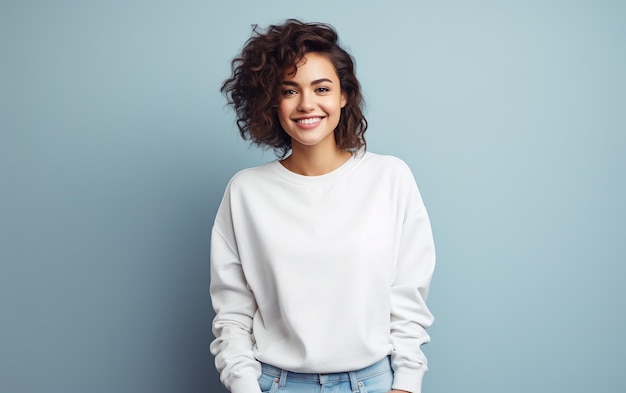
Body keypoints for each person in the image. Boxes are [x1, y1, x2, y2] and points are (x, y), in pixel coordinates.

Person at [209, 19, 435, 393]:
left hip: (374, 382)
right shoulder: (246, 192)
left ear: (343, 95)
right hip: (274, 383)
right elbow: (232, 314)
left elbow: (408, 298)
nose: (307, 104)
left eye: (322, 88)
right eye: (289, 90)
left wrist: (407, 384)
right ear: (272, 101)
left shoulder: (390, 178)